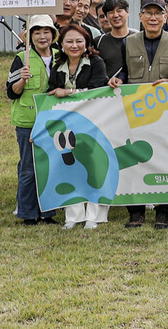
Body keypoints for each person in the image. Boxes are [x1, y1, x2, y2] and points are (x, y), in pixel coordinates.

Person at [108, 0, 168, 229]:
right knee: (135, 160)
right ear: (140, 17)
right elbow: (125, 71)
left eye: (157, 13)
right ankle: (136, 211)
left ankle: (164, 211)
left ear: (165, 17)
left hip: (166, 112)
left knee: (166, 160)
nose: (153, 18)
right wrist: (117, 79)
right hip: (136, 112)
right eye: (148, 13)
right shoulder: (128, 42)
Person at [46, 23, 110, 229]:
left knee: (93, 167)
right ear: (61, 44)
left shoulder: (96, 62)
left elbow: (97, 91)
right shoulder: (57, 67)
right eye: (69, 41)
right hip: (66, 126)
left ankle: (94, 215)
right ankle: (72, 216)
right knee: (69, 167)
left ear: (87, 43)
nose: (74, 45)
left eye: (79, 41)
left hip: (93, 122)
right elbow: (50, 94)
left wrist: (68, 93)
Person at [7, 15, 60, 225]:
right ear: (30, 36)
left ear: (53, 34)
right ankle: (28, 213)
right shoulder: (22, 57)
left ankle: (47, 212)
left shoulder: (60, 55)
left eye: (46, 31)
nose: (42, 36)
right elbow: (11, 92)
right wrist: (22, 79)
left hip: (53, 121)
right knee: (29, 168)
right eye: (36, 32)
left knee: (50, 166)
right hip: (28, 122)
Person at [95, 0, 136, 78]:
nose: (116, 15)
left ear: (127, 12)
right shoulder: (98, 42)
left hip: (134, 89)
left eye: (119, 10)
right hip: (107, 89)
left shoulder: (138, 39)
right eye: (111, 12)